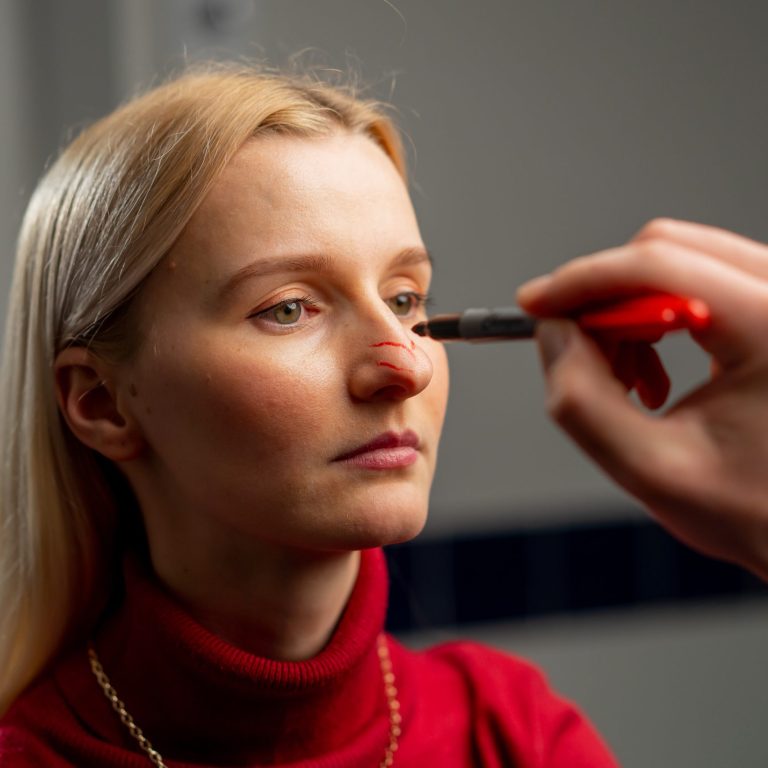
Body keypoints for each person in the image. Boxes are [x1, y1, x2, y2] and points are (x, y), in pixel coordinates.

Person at [0, 64, 763, 767]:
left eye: (404, 299)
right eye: (289, 308)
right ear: (101, 403)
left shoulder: (512, 733)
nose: (406, 365)